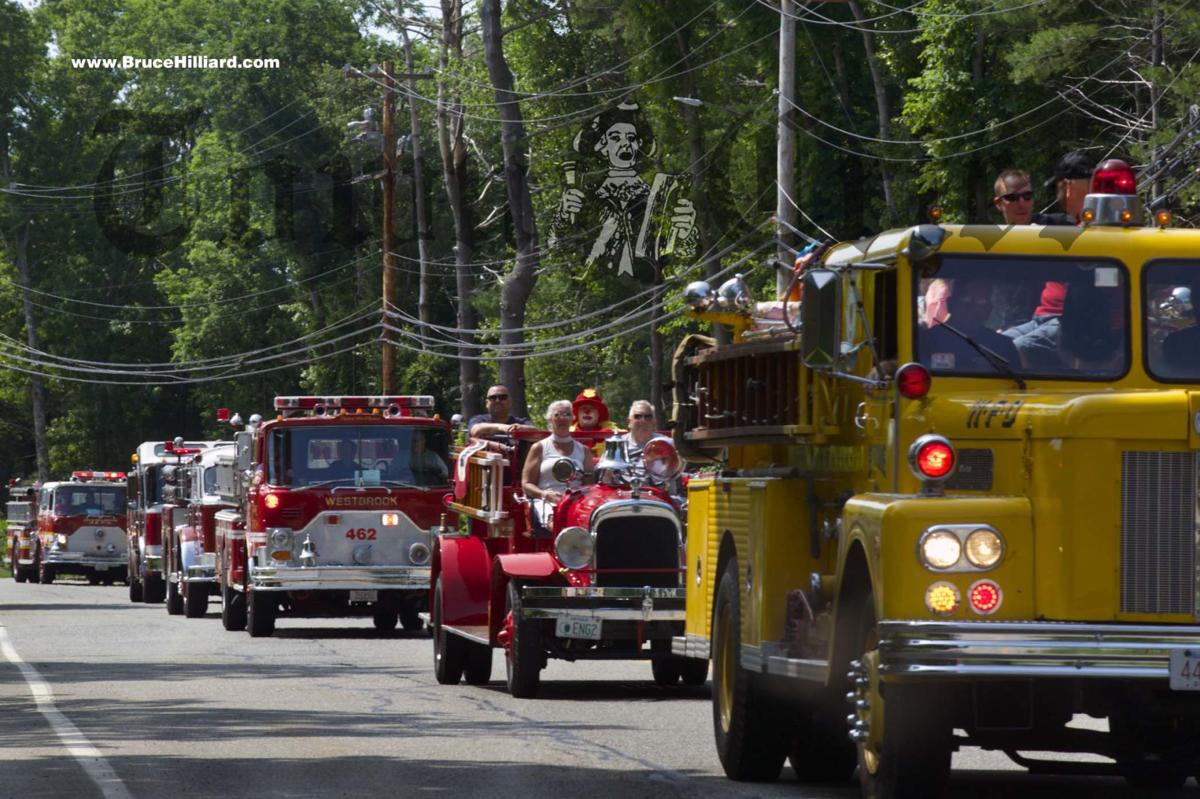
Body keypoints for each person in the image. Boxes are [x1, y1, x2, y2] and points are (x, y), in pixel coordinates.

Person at [922, 274, 1020, 373]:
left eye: (981, 301)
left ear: (989, 309)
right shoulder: (927, 342)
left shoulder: (1002, 346)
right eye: (966, 300)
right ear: (951, 303)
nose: (972, 308)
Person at [521, 400, 594, 528]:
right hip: (546, 501)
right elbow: (526, 484)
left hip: (576, 501)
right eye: (557, 415)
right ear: (550, 419)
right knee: (557, 524)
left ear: (573, 418)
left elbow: (590, 485)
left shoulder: (584, 451)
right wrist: (545, 495)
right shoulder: (539, 448)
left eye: (567, 414)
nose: (562, 419)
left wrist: (577, 498)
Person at [467, 384, 533, 440]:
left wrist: (521, 428)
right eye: (493, 397)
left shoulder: (521, 422)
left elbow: (536, 431)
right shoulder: (478, 420)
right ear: (487, 403)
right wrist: (502, 427)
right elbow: (475, 430)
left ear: (510, 402)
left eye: (502, 397)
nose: (497, 401)